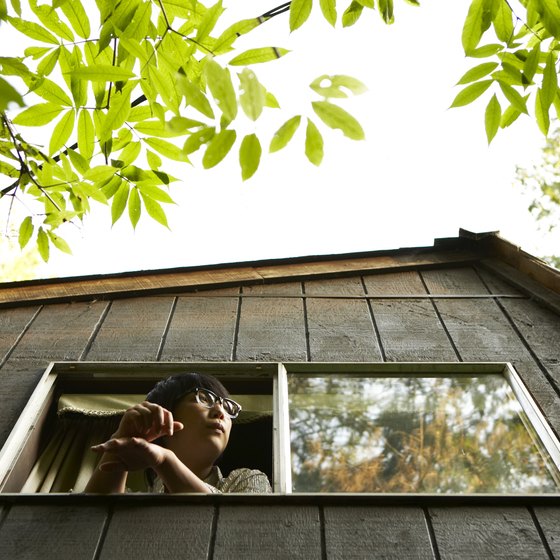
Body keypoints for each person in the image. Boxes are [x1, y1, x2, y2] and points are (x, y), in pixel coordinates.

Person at [85, 372, 272, 493]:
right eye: (204, 398)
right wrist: (120, 440)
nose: (220, 411)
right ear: (165, 413)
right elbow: (92, 520)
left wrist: (165, 461)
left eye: (227, 407)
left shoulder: (248, 481)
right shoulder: (137, 499)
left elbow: (227, 524)